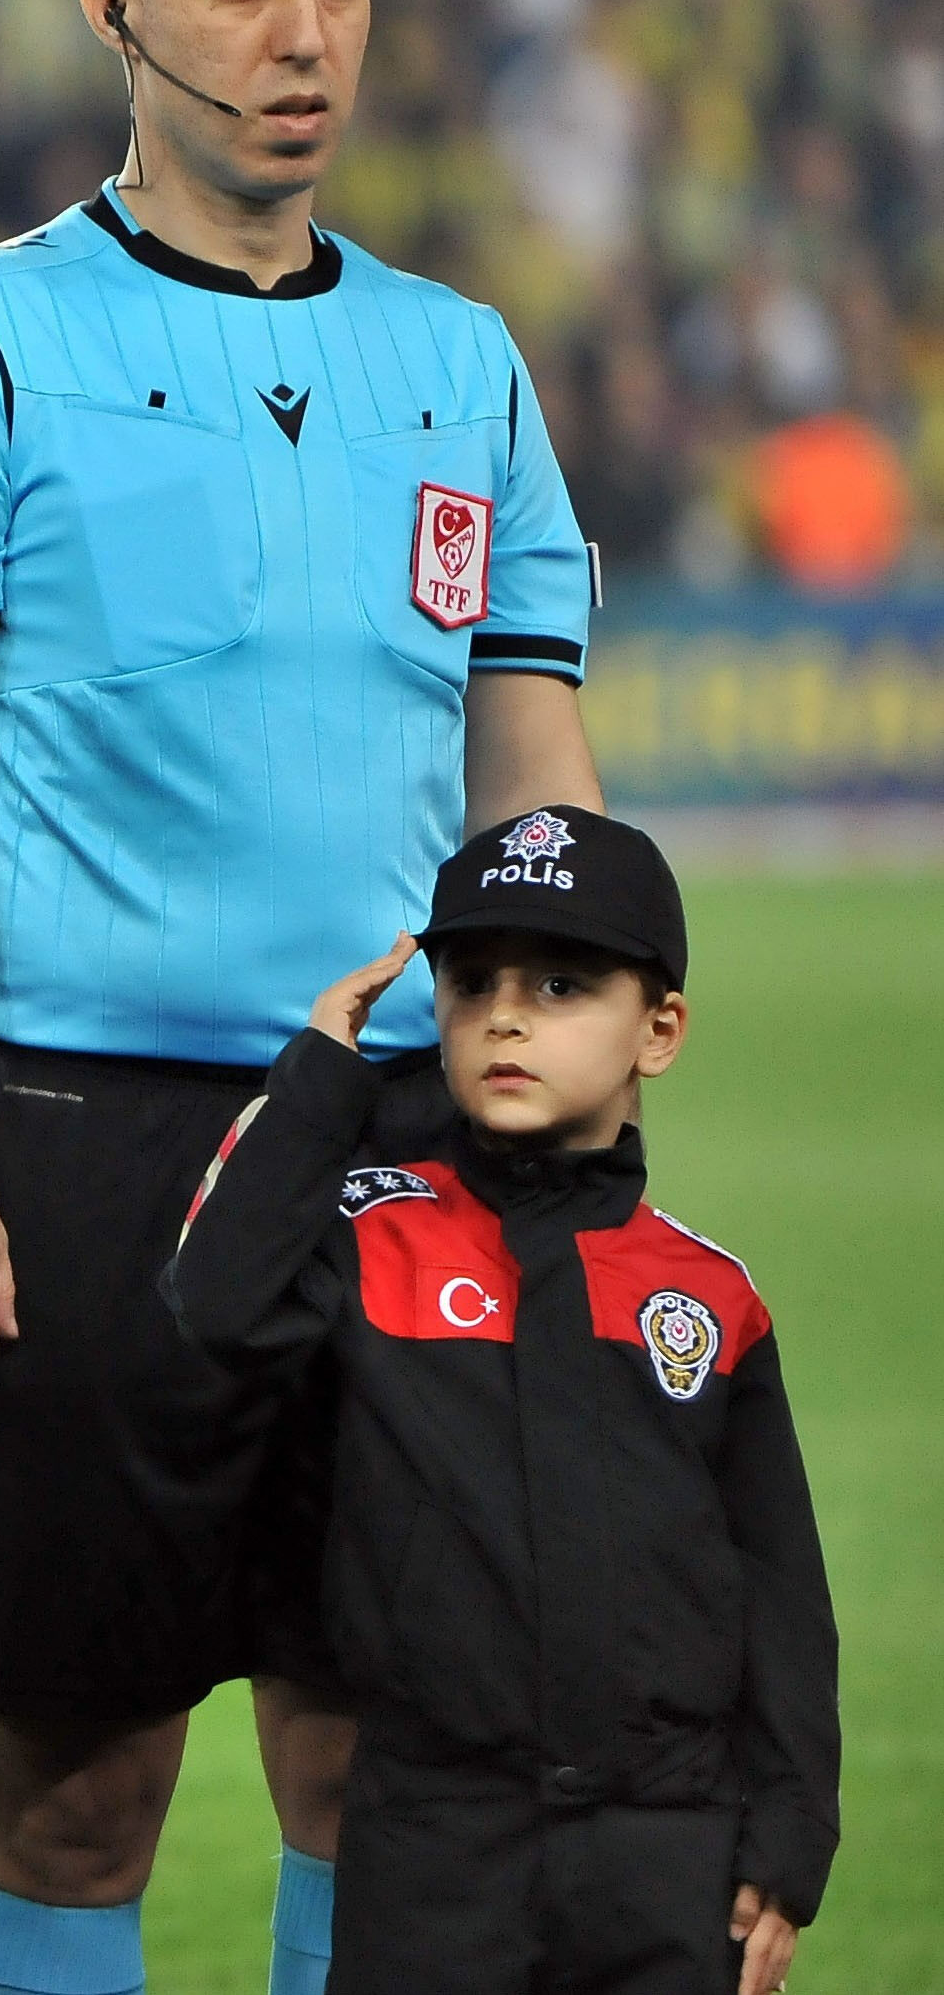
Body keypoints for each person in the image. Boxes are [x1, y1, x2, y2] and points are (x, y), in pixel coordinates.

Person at [0, 0, 608, 1995]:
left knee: (388, 1755)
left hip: (405, 1144)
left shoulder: (458, 363)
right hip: (82, 1147)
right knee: (75, 1787)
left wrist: (578, 1113)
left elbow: (531, 780)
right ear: (113, 11)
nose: (300, 31)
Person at [166, 807, 836, 1995]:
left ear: (658, 1029)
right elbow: (215, 1302)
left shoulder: (704, 1293)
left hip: (664, 1841)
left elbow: (777, 1587)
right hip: (432, 1834)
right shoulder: (371, 1229)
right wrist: (319, 1074)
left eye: (560, 984)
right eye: (470, 983)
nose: (505, 1016)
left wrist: (787, 1833)